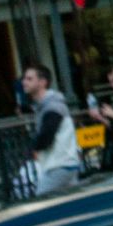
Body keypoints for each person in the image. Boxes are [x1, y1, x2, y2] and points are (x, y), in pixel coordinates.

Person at [22, 64, 80, 195]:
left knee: (41, 204)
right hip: (62, 165)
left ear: (42, 82)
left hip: (60, 166)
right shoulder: (46, 106)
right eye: (24, 78)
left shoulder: (53, 106)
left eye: (29, 79)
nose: (24, 82)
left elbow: (46, 137)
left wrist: (31, 149)